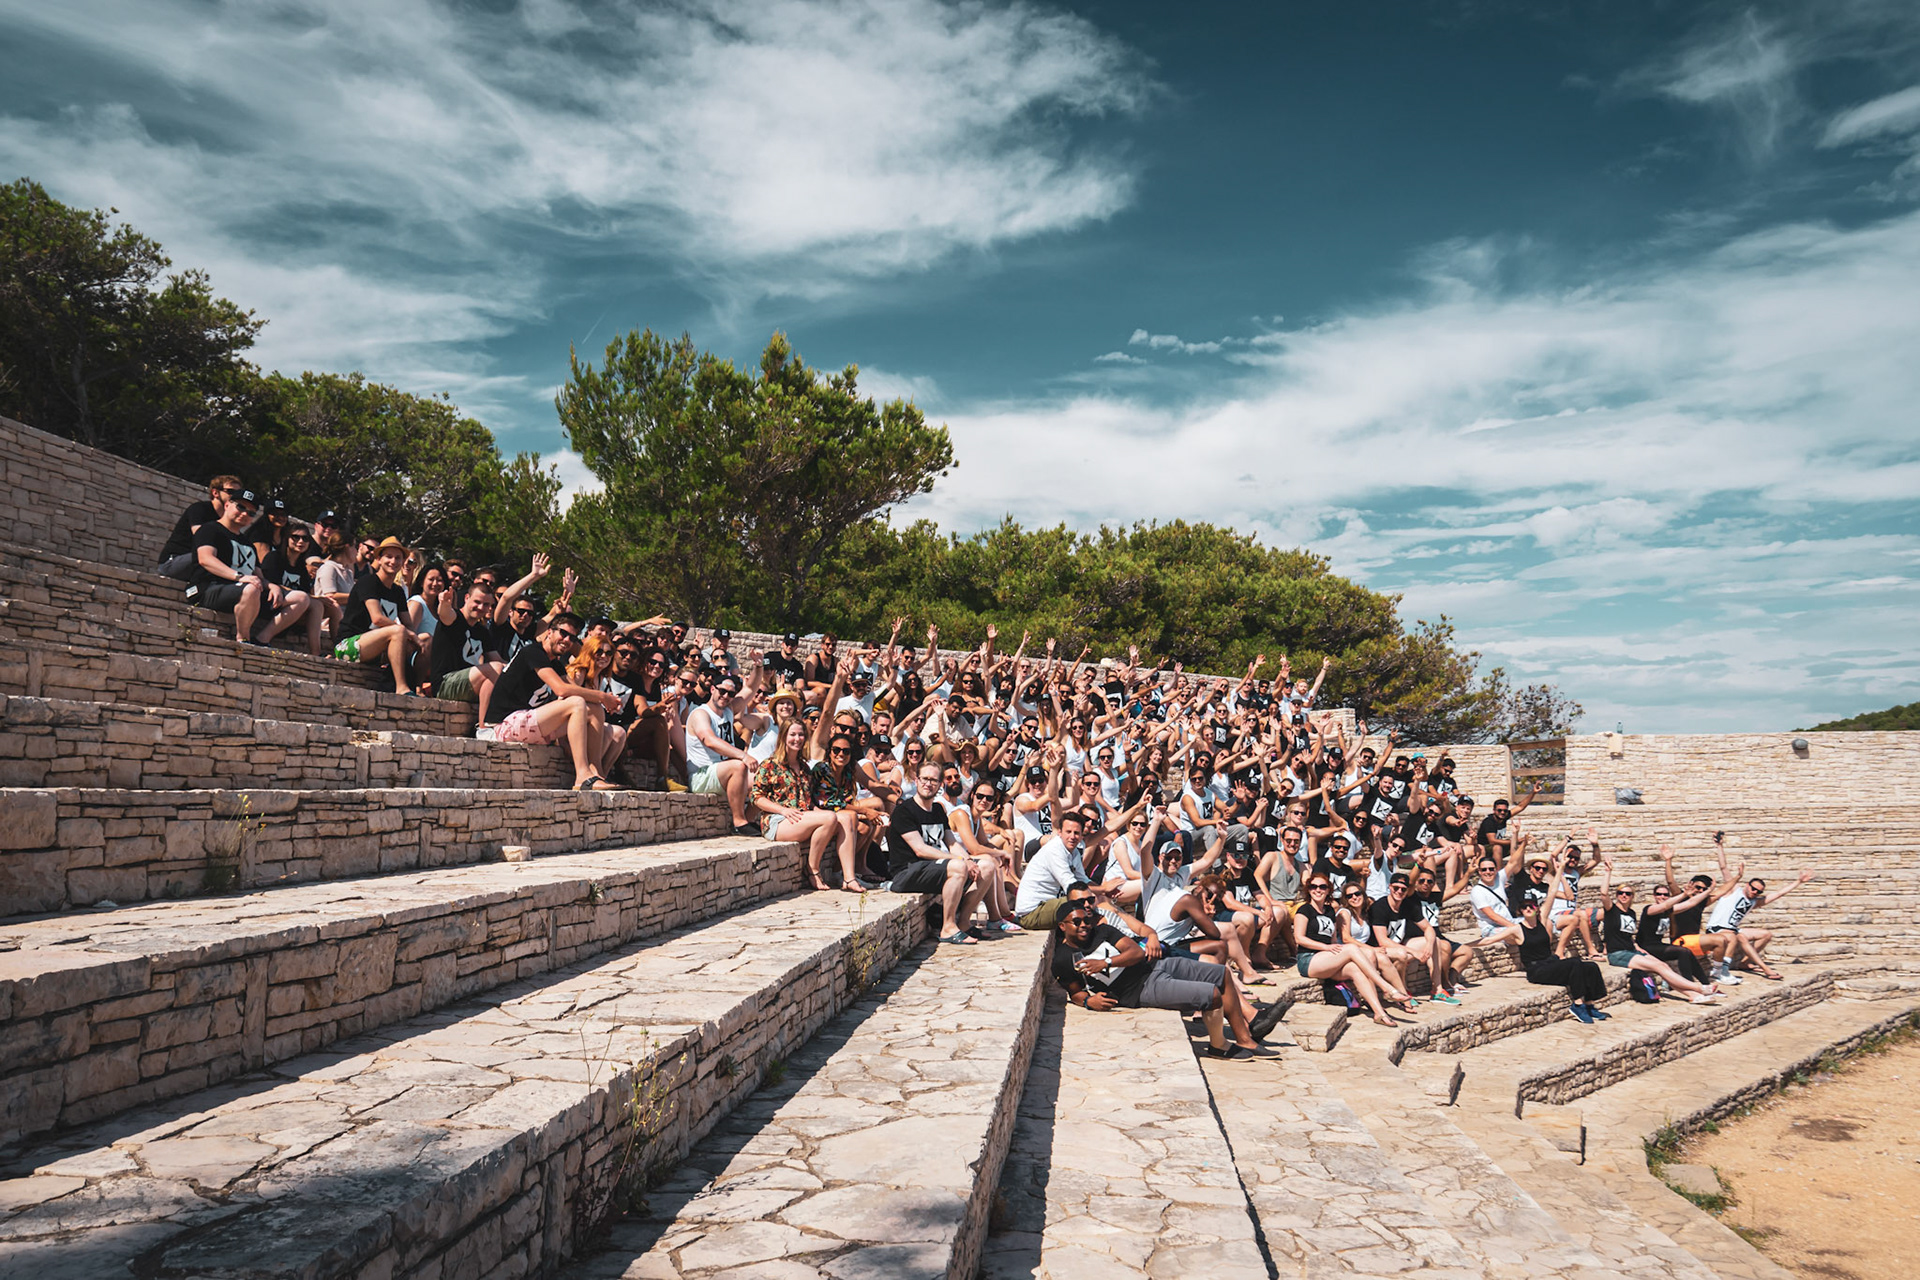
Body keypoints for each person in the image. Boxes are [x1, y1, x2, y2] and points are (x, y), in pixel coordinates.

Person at [1052, 898, 1277, 1060]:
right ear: (1063, 926)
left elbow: (1137, 953)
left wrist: (1106, 963)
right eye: (1076, 922)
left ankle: (1245, 1039)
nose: (1084, 925)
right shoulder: (1063, 959)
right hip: (1140, 989)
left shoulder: (1103, 932)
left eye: (1085, 920)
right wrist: (1088, 1002)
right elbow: (1075, 991)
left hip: (1155, 965)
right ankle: (1219, 1045)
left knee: (1222, 973)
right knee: (1212, 994)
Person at [475, 612, 624, 791]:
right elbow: (562, 690)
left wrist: (604, 702)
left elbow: (572, 691)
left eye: (572, 637)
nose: (567, 640)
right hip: (501, 726)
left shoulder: (555, 664)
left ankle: (596, 773)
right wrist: (602, 697)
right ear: (549, 632)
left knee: (594, 709)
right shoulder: (533, 652)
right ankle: (582, 776)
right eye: (563, 633)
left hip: (526, 723)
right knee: (577, 703)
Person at [886, 761, 1015, 944]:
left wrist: (968, 859)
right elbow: (920, 850)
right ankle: (947, 928)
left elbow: (952, 843)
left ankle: (963, 924)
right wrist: (960, 860)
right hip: (907, 871)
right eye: (924, 779)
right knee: (958, 866)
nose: (928, 784)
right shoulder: (904, 810)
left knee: (986, 866)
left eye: (933, 780)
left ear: (940, 784)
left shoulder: (938, 809)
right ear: (916, 781)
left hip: (932, 869)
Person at [184, 488, 312, 648]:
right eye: (241, 507)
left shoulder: (247, 543)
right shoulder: (209, 529)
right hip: (208, 588)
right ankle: (243, 639)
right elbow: (206, 559)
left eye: (251, 513)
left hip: (245, 591)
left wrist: (272, 586)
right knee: (251, 589)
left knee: (301, 598)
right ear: (227, 505)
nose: (245, 514)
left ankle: (262, 639)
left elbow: (257, 574)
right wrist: (239, 577)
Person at [753, 721, 864, 892]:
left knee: (848, 816)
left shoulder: (804, 767)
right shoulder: (770, 764)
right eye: (793, 734)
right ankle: (812, 869)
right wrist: (782, 810)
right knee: (830, 817)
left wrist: (817, 811)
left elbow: (808, 800)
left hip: (801, 816)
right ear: (783, 736)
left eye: (800, 735)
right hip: (777, 820)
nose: (797, 739)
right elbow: (756, 797)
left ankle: (849, 878)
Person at [1595, 855, 1720, 1003]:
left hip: (1633, 950)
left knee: (1662, 966)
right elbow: (1603, 894)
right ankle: (1699, 988)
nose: (1624, 895)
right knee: (1660, 966)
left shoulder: (1632, 913)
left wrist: (1708, 891)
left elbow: (1690, 903)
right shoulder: (1612, 911)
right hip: (1618, 954)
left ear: (1632, 897)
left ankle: (1693, 996)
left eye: (1628, 893)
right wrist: (1607, 872)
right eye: (1620, 893)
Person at [1293, 875, 1412, 1026]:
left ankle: (1379, 1013)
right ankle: (1386, 987)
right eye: (1313, 887)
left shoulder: (1329, 911)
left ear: (1328, 890)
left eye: (1322, 887)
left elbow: (1334, 939)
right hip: (1309, 959)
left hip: (1327, 959)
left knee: (1355, 969)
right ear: (1308, 890)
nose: (1318, 890)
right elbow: (1299, 938)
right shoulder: (1304, 910)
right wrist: (1326, 948)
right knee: (1351, 948)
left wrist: (1333, 947)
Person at [1518, 849, 1610, 1023]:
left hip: (1549, 962)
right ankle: (1577, 1004)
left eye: (1532, 907)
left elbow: (1552, 893)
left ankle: (1590, 1004)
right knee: (1574, 963)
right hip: (1536, 970)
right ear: (1521, 911)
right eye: (1526, 908)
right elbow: (1492, 939)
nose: (1530, 909)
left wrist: (1559, 870)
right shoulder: (1517, 928)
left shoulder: (1542, 919)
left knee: (1590, 966)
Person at [333, 537, 428, 695]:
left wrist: (416, 638)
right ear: (379, 559)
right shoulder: (368, 582)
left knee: (425, 638)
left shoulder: (397, 591)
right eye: (388, 557)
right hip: (348, 645)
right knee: (399, 631)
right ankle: (401, 687)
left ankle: (417, 687)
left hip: (376, 648)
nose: (393, 561)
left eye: (398, 558)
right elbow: (377, 618)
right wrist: (408, 633)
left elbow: (408, 623)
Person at [1705, 868, 1814, 982]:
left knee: (1766, 934)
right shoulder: (1734, 891)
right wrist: (1719, 848)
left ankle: (1745, 963)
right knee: (1740, 937)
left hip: (1732, 930)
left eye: (1759, 891)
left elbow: (1779, 893)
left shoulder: (1754, 902)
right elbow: (1724, 868)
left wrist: (1799, 881)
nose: (1755, 892)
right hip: (1716, 928)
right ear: (1747, 885)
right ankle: (1765, 969)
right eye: (1753, 889)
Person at [685, 674, 758, 835]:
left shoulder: (728, 710)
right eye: (722, 691)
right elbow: (709, 740)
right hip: (701, 776)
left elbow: (751, 689)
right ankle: (739, 822)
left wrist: (758, 666)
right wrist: (743, 755)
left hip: (724, 774)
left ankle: (750, 818)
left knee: (766, 776)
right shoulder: (700, 714)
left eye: (731, 694)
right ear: (712, 689)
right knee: (738, 765)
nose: (726, 696)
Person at [431, 581, 507, 719]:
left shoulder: (482, 632)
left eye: (486, 604)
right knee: (495, 668)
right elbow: (445, 614)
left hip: (469, 684)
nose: (480, 607)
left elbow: (498, 660)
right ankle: (485, 725)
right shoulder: (455, 619)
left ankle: (485, 725)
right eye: (477, 602)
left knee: (501, 670)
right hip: (445, 684)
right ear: (466, 598)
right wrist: (444, 603)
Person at [158, 475, 241, 579]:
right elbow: (201, 539)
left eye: (238, 494)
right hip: (173, 562)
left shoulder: (228, 519)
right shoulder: (199, 509)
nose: (235, 497)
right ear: (215, 493)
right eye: (230, 492)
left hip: (199, 564)